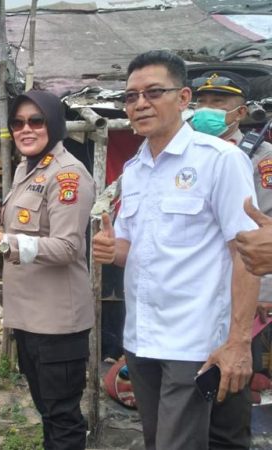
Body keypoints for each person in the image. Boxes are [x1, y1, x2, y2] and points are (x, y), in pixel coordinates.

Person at [92, 51, 259, 450]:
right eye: (130, 97)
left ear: (183, 98)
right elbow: (132, 250)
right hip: (143, 340)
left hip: (195, 342)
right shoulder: (134, 170)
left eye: (153, 92)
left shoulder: (219, 161)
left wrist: (238, 342)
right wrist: (110, 249)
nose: (140, 104)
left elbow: (248, 254)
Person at [0, 90, 95, 450]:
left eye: (36, 121)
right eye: (18, 122)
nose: (26, 129)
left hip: (57, 322)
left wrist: (2, 241)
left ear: (53, 124)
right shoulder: (27, 168)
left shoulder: (67, 175)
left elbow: (69, 247)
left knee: (62, 418)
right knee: (47, 411)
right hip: (28, 319)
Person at [190, 70, 272, 450]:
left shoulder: (261, 159)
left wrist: (263, 294)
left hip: (242, 297)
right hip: (196, 298)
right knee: (190, 396)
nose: (206, 110)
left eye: (218, 103)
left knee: (229, 394)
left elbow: (266, 230)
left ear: (238, 112)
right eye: (202, 102)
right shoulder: (186, 155)